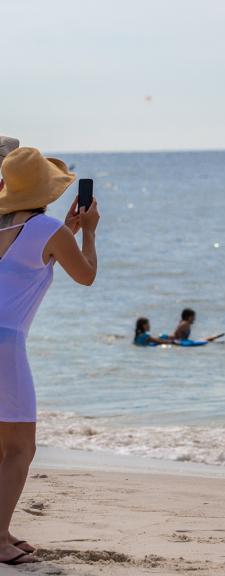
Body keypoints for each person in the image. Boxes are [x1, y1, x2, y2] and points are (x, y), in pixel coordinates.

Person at [0, 147, 99, 565]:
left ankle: (0, 530)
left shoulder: (20, 229)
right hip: (6, 345)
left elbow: (26, 265)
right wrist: (89, 231)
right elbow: (87, 276)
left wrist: (68, 234)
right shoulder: (46, 228)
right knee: (21, 448)